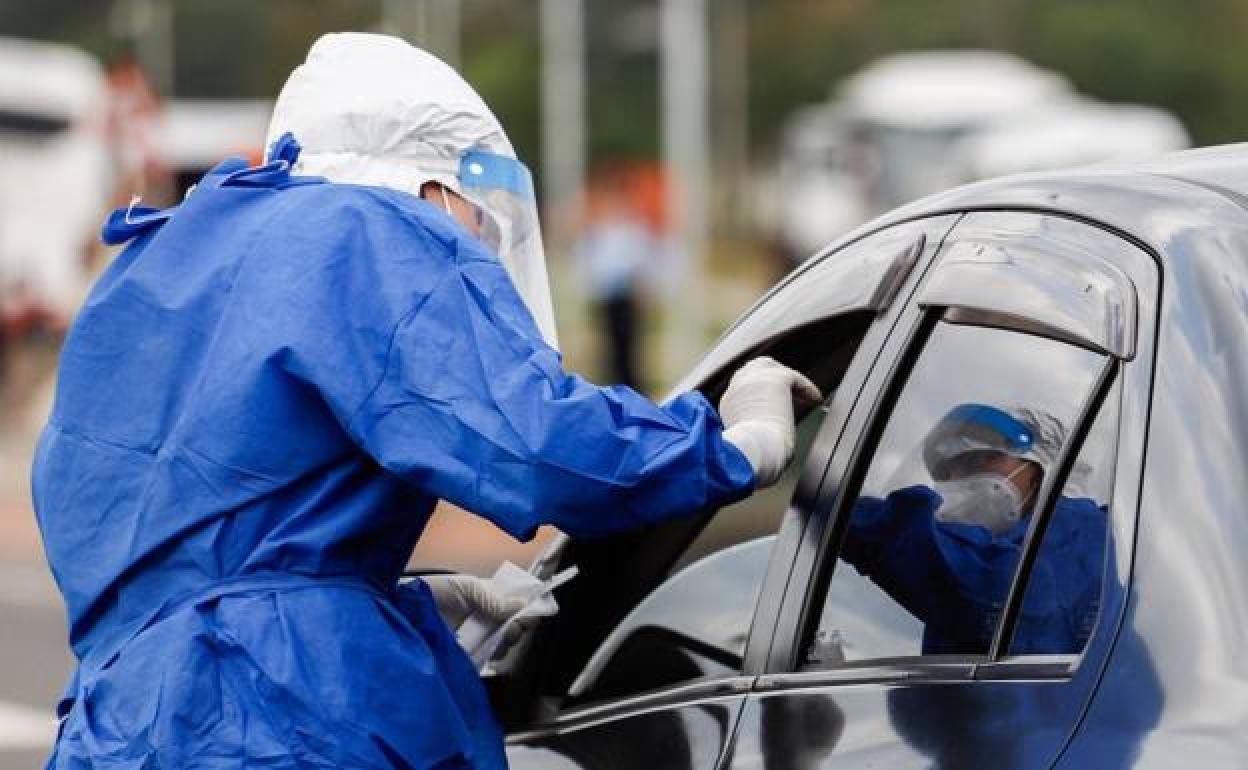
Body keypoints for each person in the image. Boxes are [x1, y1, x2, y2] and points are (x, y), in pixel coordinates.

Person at [33, 33, 819, 770]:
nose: (476, 239)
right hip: (275, 717)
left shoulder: (156, 260)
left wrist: (385, 600)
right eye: (478, 217)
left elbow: (172, 531)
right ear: (436, 184)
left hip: (119, 720)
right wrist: (731, 444)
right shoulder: (374, 229)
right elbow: (533, 445)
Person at [840, 403, 1106, 656]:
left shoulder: (1083, 533)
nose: (959, 481)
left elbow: (995, 588)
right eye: (947, 472)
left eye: (981, 460)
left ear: (1043, 467)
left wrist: (830, 499)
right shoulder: (997, 545)